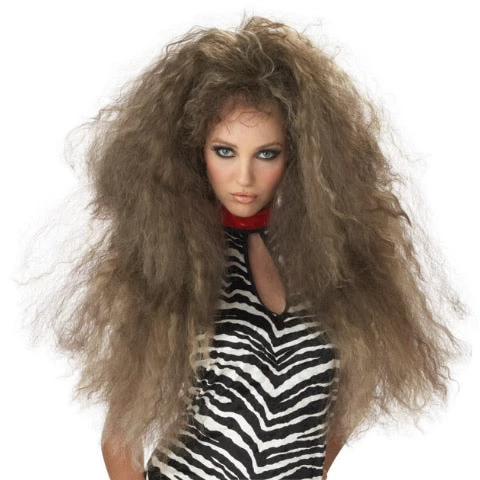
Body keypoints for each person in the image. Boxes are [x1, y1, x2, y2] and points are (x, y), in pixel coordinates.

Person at [43, 16, 462, 480]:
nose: (244, 177)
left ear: (300, 156)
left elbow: (340, 406)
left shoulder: (324, 261)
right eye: (225, 151)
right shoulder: (172, 261)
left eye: (266, 153)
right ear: (194, 151)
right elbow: (120, 437)